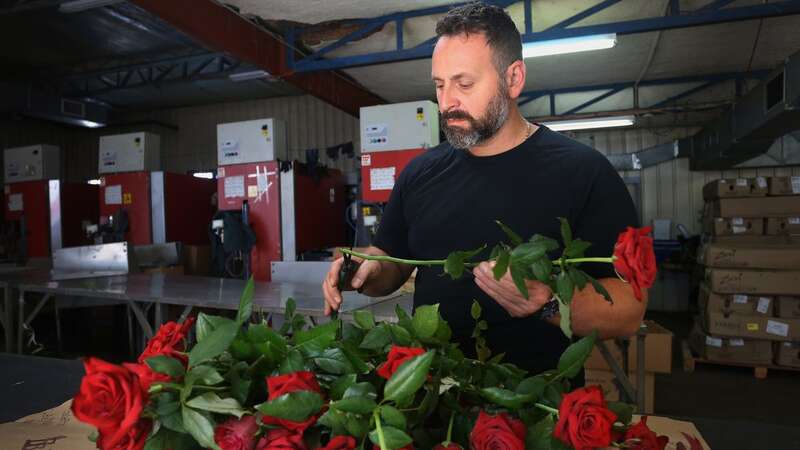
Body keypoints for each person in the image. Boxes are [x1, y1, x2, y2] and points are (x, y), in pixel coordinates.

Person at [322, 2, 644, 377]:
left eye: (465, 83)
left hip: (535, 413)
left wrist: (549, 302)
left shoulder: (585, 173)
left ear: (514, 78)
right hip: (434, 407)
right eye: (439, 85)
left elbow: (629, 309)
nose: (447, 102)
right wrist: (365, 269)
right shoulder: (419, 173)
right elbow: (392, 262)